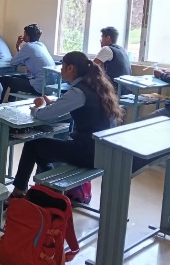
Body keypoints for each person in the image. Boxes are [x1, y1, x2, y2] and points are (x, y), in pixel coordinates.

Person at [9, 51, 123, 199]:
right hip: (103, 151)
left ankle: (18, 192)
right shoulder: (95, 87)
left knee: (32, 146)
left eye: (62, 66)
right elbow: (75, 105)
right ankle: (49, 190)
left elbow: (43, 115)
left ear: (70, 68)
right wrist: (55, 104)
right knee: (42, 149)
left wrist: (39, 106)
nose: (61, 69)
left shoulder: (78, 92)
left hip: (89, 154)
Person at [0, 24, 55, 100]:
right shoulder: (41, 45)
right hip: (49, 87)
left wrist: (18, 45)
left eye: (24, 35)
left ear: (28, 37)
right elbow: (25, 58)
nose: (23, 36)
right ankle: (11, 102)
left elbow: (13, 62)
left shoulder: (28, 46)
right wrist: (18, 47)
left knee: (4, 79)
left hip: (38, 88)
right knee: (17, 78)